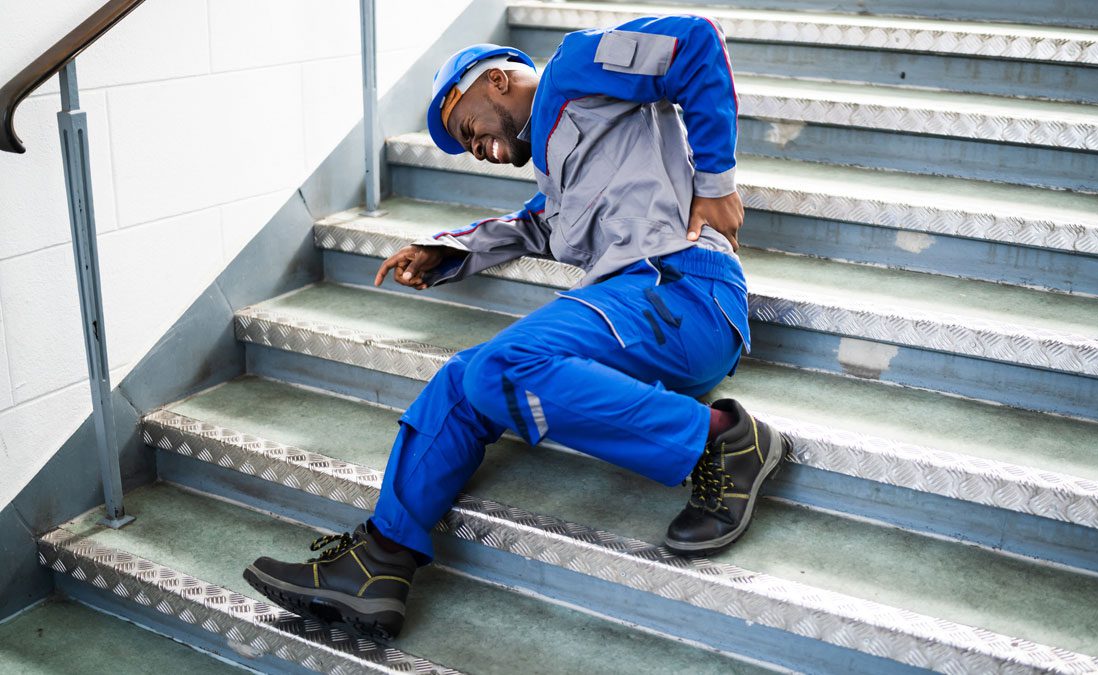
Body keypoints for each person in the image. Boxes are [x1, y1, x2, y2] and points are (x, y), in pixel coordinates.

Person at [244, 14, 785, 641]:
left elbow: (694, 42)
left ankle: (722, 440)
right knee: (462, 379)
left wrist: (716, 183)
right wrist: (446, 250)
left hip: (684, 288)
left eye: (466, 129)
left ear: (495, 81)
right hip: (638, 314)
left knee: (502, 366)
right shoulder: (558, 175)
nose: (475, 150)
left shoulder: (574, 69)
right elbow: (532, 225)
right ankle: (379, 562)